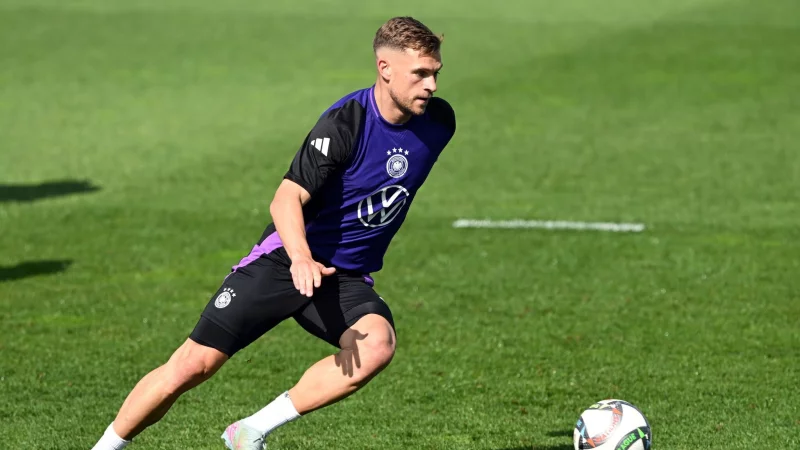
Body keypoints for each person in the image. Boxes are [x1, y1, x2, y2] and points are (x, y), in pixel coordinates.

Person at [91, 15, 455, 450]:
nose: (431, 85)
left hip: (342, 277)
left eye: (435, 73)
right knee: (193, 366)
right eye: (420, 74)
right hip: (285, 259)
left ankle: (249, 431)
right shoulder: (345, 124)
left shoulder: (439, 123)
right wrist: (300, 257)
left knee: (376, 346)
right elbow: (286, 199)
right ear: (385, 69)